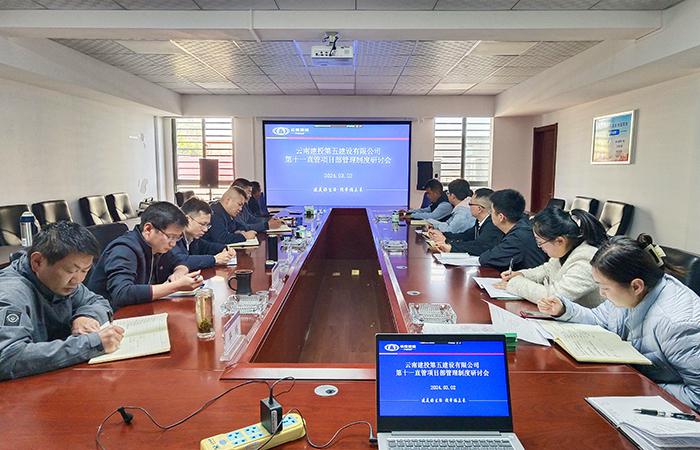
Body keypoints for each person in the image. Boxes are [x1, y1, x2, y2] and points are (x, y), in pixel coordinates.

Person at [538, 234, 700, 412]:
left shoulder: (677, 325)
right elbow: (600, 318)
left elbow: (697, 397)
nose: (602, 294)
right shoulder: (633, 292)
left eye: (605, 288)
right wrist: (564, 309)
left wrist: (640, 385)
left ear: (636, 286)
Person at [0, 222, 124, 380]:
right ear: (37, 262)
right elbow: (9, 358)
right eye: (71, 270)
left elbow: (97, 301)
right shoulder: (10, 294)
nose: (78, 280)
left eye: (85, 271)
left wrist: (86, 316)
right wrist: (92, 343)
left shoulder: (62, 281)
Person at [87, 202, 203, 310]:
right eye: (170, 237)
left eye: (177, 238)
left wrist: (179, 272)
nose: (173, 244)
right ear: (148, 229)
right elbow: (122, 293)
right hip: (111, 315)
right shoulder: (124, 249)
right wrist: (176, 286)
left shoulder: (157, 246)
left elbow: (179, 260)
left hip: (141, 307)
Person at [499, 207, 608, 307]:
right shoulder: (568, 247)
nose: (539, 247)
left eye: (540, 242)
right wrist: (522, 274)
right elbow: (547, 270)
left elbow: (555, 296)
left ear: (560, 241)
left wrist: (516, 283)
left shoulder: (587, 259)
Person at [478, 189, 547, 271]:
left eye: (491, 212)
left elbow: (486, 259)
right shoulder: (524, 224)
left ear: (501, 217)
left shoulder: (518, 237)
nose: (490, 215)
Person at [431, 188, 504, 255]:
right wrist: (443, 235)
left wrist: (450, 245)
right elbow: (465, 236)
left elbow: (478, 246)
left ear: (479, 209)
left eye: (470, 204)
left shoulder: (491, 225)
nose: (468, 207)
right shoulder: (479, 222)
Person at [172, 198, 236, 271]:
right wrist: (214, 259)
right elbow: (180, 260)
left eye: (207, 225)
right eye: (202, 224)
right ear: (187, 219)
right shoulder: (173, 237)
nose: (205, 229)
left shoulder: (193, 239)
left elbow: (207, 247)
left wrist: (225, 248)